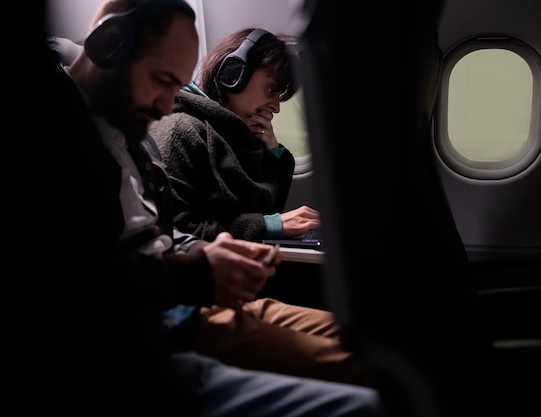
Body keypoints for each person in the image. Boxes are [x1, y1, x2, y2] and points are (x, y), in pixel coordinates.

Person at [45, 0, 381, 416]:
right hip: (173, 314)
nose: (167, 107)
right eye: (162, 80)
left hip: (186, 297)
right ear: (110, 45)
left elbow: (164, 232)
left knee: (379, 343)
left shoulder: (134, 136)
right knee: (372, 378)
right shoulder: (97, 132)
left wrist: (200, 252)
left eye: (177, 86)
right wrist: (199, 268)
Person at [147, 28, 371, 386]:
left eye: (281, 95)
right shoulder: (179, 130)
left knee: (378, 341)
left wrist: (272, 153)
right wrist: (270, 226)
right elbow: (181, 229)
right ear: (231, 76)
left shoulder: (227, 134)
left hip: (238, 294)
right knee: (368, 365)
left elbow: (257, 203)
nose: (277, 105)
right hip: (203, 297)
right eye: (271, 89)